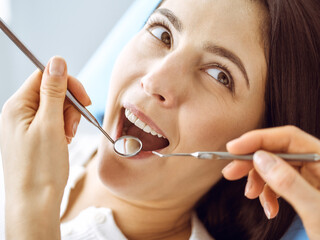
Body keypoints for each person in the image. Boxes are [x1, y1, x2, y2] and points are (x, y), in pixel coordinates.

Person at [1, 0, 320, 239]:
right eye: (162, 33)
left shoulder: (28, 184)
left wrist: (32, 205)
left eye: (218, 74)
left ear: (263, 140)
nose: (154, 81)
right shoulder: (26, 152)